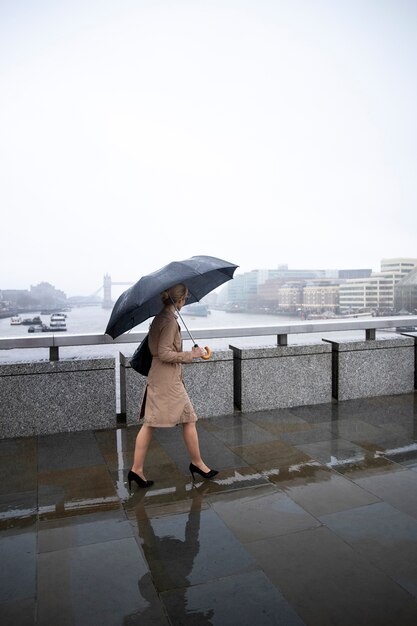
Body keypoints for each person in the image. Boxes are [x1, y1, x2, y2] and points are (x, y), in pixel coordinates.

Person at [128, 282, 218, 489]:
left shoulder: (160, 318)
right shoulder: (168, 321)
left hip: (164, 377)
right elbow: (165, 352)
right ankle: (139, 469)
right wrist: (191, 355)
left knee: (185, 418)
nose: (185, 302)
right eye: (184, 299)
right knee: (158, 422)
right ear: (179, 300)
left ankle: (140, 469)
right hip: (167, 380)